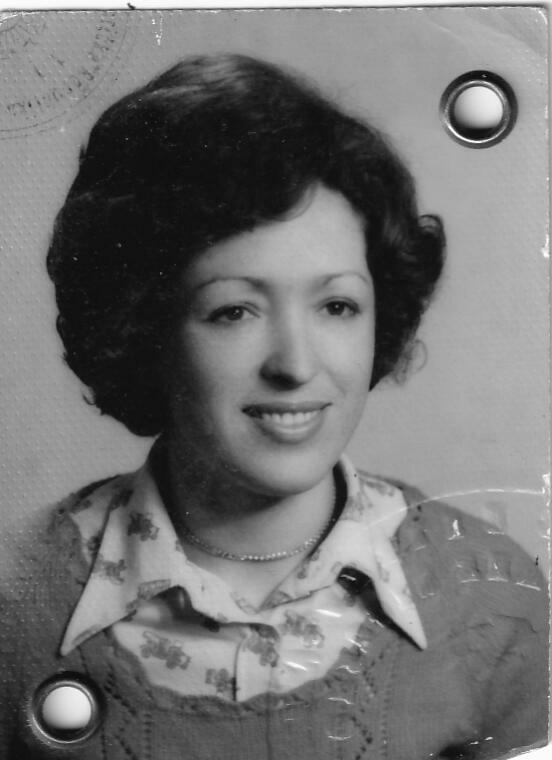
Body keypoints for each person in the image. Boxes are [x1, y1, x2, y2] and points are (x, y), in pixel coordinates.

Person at [0, 53, 547, 760]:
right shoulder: (19, 597)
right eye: (234, 311)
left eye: (337, 305)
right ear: (143, 327)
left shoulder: (494, 602)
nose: (295, 364)